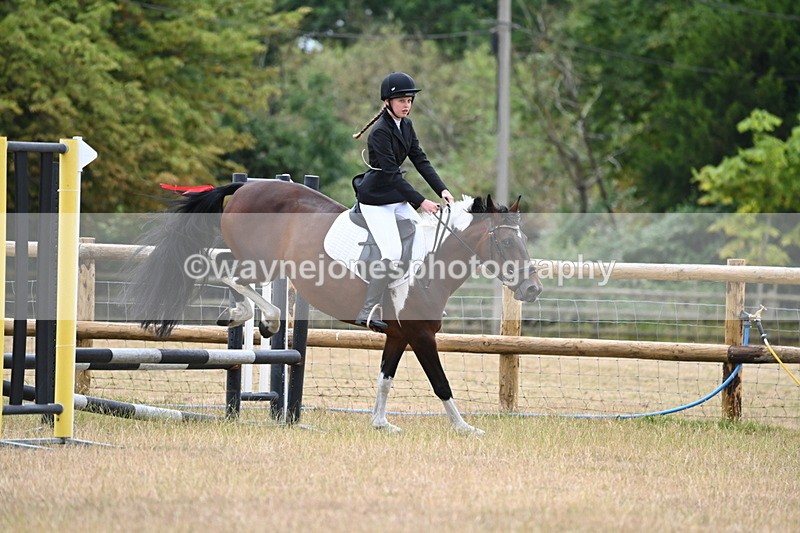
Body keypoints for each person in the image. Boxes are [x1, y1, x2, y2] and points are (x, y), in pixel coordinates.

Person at [351, 72, 455, 333]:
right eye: (401, 101)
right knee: (392, 252)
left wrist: (442, 189)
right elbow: (391, 175)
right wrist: (422, 201)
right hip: (376, 200)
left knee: (421, 242)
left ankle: (411, 298)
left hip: (395, 197)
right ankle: (368, 310)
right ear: (387, 102)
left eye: (409, 100)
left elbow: (420, 159)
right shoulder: (379, 132)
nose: (406, 105)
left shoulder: (406, 125)